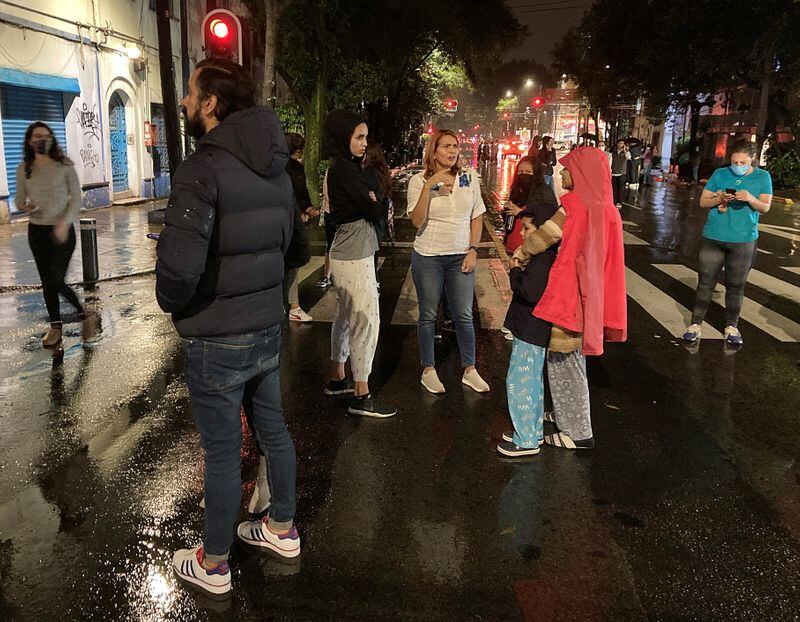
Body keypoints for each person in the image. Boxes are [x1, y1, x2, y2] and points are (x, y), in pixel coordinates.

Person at [156, 58, 300, 599]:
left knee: (221, 452)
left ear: (212, 103)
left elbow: (178, 269)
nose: (187, 102)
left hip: (216, 335)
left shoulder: (203, 168)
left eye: (192, 94)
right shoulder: (277, 168)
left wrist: (178, 308)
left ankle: (213, 563)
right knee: (274, 432)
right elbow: (291, 247)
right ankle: (282, 528)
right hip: (265, 327)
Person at [513, 147, 627, 450]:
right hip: (590, 295)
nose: (561, 173)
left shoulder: (575, 206)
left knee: (565, 362)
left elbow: (543, 237)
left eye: (567, 168)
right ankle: (568, 415)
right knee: (572, 360)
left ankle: (577, 432)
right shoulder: (608, 208)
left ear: (581, 173)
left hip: (570, 294)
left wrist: (521, 253)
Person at [323, 111, 396, 418]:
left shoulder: (344, 167)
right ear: (343, 137)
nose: (365, 143)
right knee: (366, 320)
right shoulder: (343, 169)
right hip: (353, 252)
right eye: (359, 137)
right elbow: (374, 207)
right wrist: (374, 198)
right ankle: (361, 393)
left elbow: (373, 201)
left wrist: (372, 199)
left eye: (365, 136)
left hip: (345, 250)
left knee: (344, 316)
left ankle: (338, 377)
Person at [406, 129, 490, 395]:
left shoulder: (469, 178)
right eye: (445, 147)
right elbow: (417, 221)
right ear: (434, 151)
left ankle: (470, 369)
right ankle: (428, 370)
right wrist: (432, 186)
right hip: (428, 256)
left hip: (460, 255)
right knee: (429, 315)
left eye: (455, 146)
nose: (452, 151)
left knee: (464, 314)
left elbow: (476, 216)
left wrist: (473, 249)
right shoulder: (419, 181)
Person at [682, 139, 773, 347]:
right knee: (705, 283)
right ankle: (695, 325)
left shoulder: (762, 177)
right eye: (734, 161)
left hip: (743, 240)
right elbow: (703, 201)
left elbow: (765, 207)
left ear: (752, 160)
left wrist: (750, 198)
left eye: (742, 162)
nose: (737, 166)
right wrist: (720, 198)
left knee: (736, 285)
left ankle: (732, 326)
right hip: (714, 237)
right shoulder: (721, 174)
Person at [15, 122, 94, 348]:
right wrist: (25, 205)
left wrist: (64, 223)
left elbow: (76, 198)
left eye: (46, 136)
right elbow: (20, 199)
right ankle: (56, 327)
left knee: (56, 279)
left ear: (52, 139)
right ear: (30, 141)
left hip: (62, 231)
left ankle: (83, 314)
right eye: (37, 137)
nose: (42, 140)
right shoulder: (24, 169)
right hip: (37, 231)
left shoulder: (64, 165)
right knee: (47, 282)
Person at [498, 199, 560, 458]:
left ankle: (525, 440)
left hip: (530, 326)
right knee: (532, 381)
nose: (522, 234)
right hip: (534, 327)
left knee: (520, 380)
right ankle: (531, 431)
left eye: (527, 229)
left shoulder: (542, 258)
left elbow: (529, 292)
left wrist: (514, 271)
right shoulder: (545, 256)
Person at [284, 132, 318, 322]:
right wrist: (306, 209)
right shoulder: (294, 169)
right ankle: (294, 307)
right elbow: (300, 192)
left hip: (281, 222)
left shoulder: (273, 167)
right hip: (292, 222)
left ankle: (288, 305)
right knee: (293, 264)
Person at [504, 157, 557, 253]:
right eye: (521, 172)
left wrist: (521, 212)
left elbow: (549, 218)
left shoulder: (544, 191)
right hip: (512, 248)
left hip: (531, 250)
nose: (524, 175)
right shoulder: (517, 190)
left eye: (528, 172)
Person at [362, 139, 393, 286]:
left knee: (368, 255)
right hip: (380, 218)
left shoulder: (369, 172)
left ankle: (371, 284)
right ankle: (375, 283)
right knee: (374, 253)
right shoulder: (383, 171)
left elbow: (369, 196)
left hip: (371, 218)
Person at [610, 139, 631, 207]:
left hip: (622, 173)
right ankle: (614, 201)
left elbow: (628, 157)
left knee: (621, 188)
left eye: (622, 143)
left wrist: (625, 150)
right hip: (613, 172)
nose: (621, 145)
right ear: (617, 144)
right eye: (620, 143)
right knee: (614, 188)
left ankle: (619, 202)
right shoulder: (613, 152)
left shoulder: (626, 152)